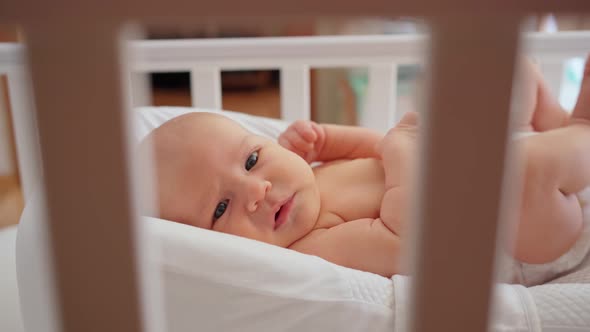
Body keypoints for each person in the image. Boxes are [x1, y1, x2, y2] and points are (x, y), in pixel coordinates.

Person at [140, 57, 590, 284]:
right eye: (220, 208)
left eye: (252, 159)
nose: (256, 189)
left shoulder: (309, 180)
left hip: (490, 164)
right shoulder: (315, 246)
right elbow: (410, 238)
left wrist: (331, 140)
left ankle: (556, 127)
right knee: (525, 175)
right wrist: (404, 148)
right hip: (516, 235)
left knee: (507, 67)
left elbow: (375, 151)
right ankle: (581, 133)